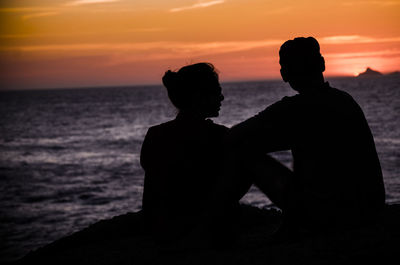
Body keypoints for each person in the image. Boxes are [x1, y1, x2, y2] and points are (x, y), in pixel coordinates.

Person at [224, 37, 386, 232]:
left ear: (284, 74)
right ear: (322, 64)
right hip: (370, 210)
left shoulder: (293, 109)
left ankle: (211, 220)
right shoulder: (345, 100)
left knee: (243, 153)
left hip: (329, 215)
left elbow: (235, 137)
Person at [140, 63, 227, 245]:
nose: (222, 97)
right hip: (201, 228)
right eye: (216, 92)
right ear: (198, 96)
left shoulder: (155, 134)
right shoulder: (218, 136)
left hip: (160, 228)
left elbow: (152, 193)